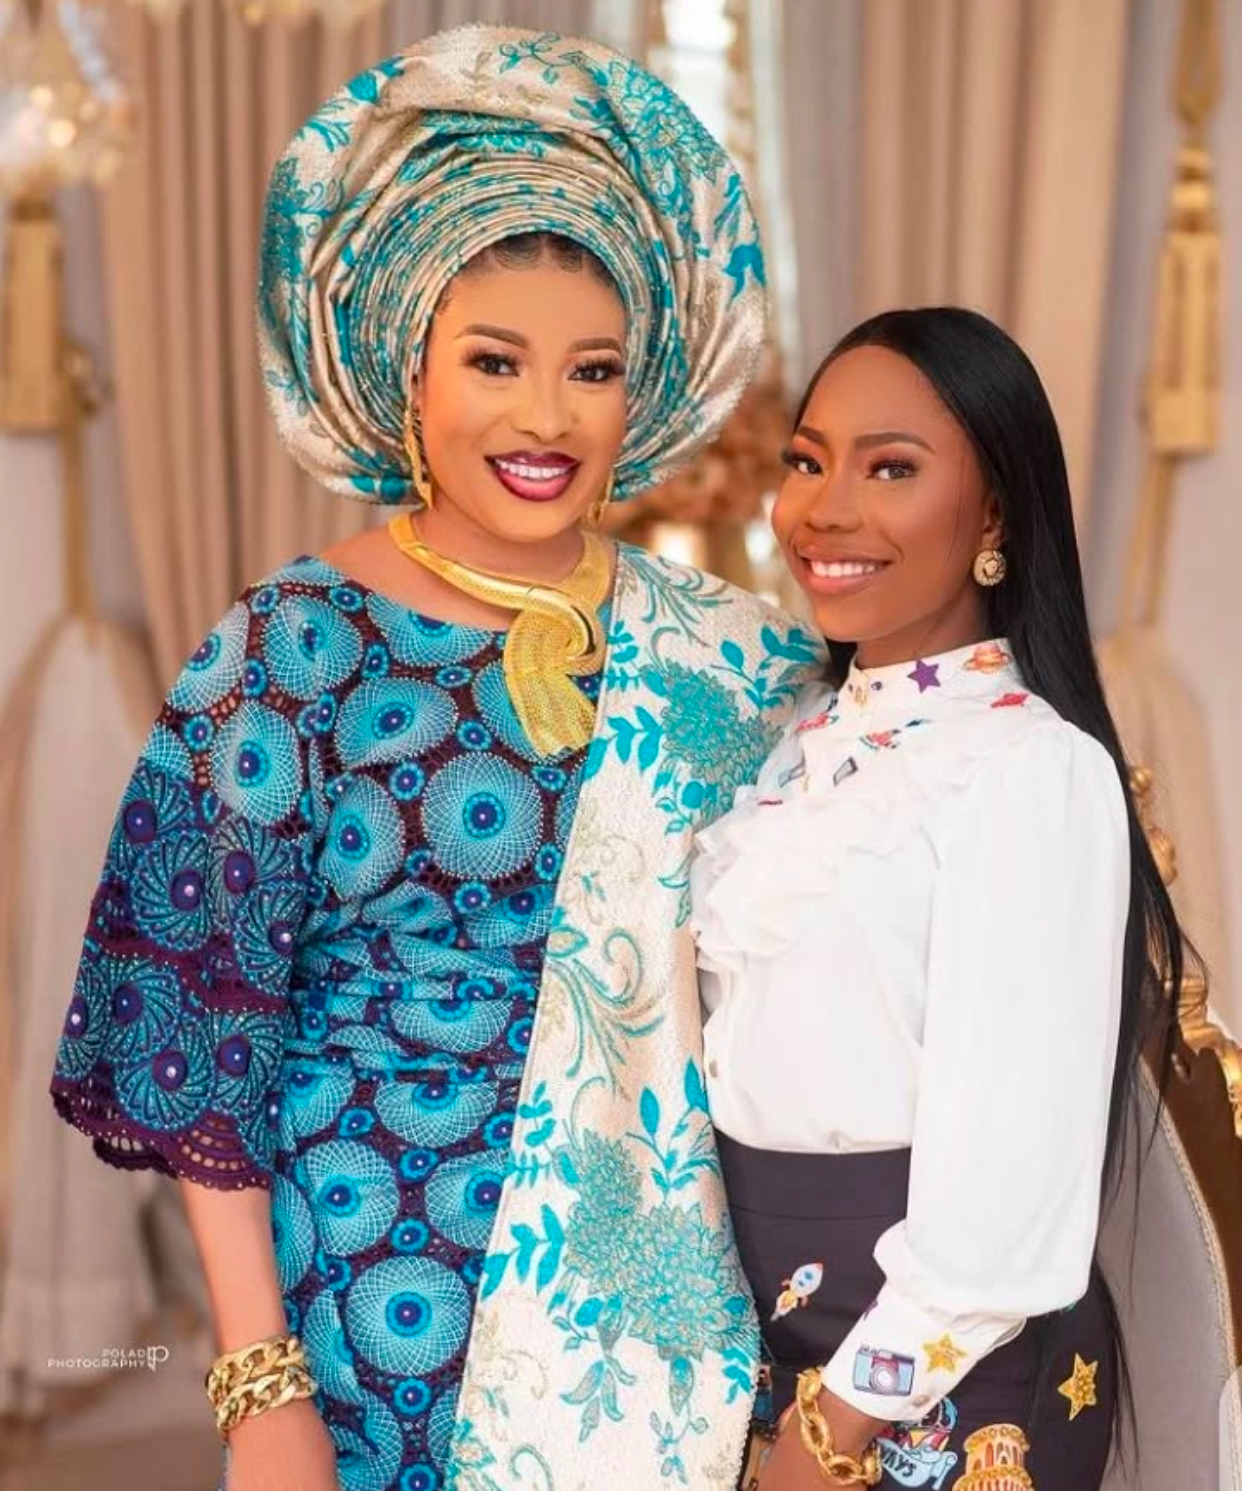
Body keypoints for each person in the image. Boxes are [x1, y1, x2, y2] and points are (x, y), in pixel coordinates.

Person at [49, 27, 824, 1491]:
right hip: (367, 1322)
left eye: (592, 370)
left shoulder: (735, 661)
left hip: (658, 1331)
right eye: (494, 362)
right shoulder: (290, 649)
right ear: (407, 375)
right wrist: (256, 1383)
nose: (546, 417)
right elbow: (201, 1035)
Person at [690, 307, 1192, 1490]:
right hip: (767, 1342)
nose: (826, 510)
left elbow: (1007, 1185)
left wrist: (837, 1427)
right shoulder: (794, 750)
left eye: (891, 469)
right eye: (808, 461)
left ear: (995, 516)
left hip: (940, 1376)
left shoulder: (1027, 768)